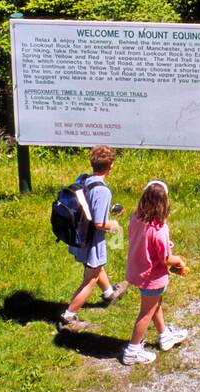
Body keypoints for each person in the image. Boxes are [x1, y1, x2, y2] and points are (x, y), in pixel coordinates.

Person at [59, 145, 126, 332]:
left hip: (78, 234)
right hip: (91, 240)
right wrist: (113, 225)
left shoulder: (83, 179)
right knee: (91, 278)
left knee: (95, 267)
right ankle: (68, 317)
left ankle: (110, 293)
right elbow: (98, 223)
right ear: (111, 165)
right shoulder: (103, 191)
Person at [122, 180, 189, 366]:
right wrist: (179, 261)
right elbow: (165, 260)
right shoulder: (160, 229)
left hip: (137, 270)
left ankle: (165, 336)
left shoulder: (135, 218)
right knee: (146, 312)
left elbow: (143, 241)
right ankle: (132, 351)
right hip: (152, 276)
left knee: (154, 304)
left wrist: (164, 247)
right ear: (164, 203)